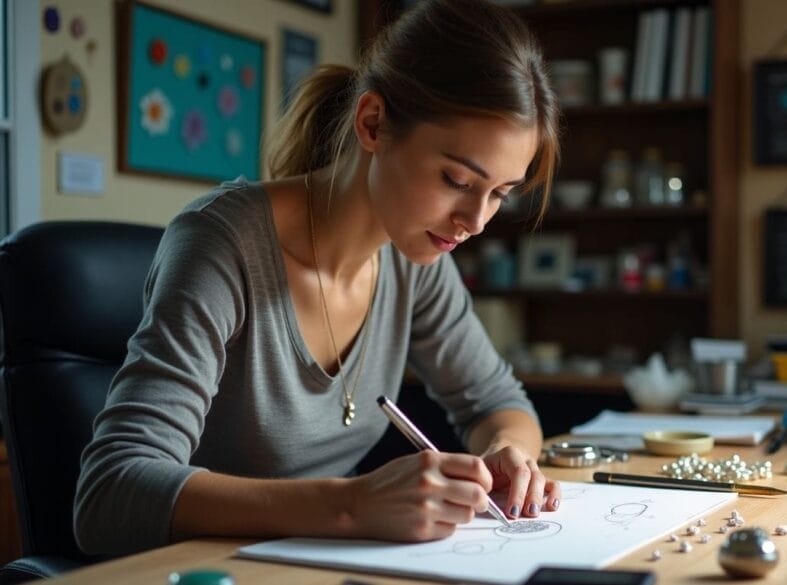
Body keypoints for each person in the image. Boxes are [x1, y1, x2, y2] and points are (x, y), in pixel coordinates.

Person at [74, 0, 561, 555]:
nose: (476, 222)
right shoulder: (221, 244)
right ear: (373, 123)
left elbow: (497, 401)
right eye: (456, 179)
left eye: (499, 194)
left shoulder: (415, 258)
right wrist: (351, 505)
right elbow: (110, 494)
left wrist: (508, 452)